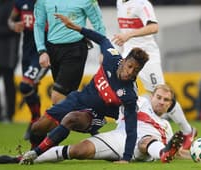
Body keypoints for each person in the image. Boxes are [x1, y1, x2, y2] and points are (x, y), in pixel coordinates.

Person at [16, 13, 149, 164]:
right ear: (124, 61)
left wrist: (126, 158)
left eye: (136, 70)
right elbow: (102, 39)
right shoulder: (112, 58)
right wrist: (76, 27)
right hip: (77, 99)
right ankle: (29, 157)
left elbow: (131, 129)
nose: (130, 72)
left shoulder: (129, 94)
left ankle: (36, 153)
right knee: (37, 127)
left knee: (71, 119)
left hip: (95, 116)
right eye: (130, 66)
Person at [0, 84, 201, 164]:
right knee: (78, 151)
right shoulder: (135, 101)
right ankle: (25, 158)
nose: (162, 102)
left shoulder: (167, 127)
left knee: (148, 140)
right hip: (119, 137)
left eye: (167, 100)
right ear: (152, 96)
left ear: (169, 106)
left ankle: (161, 153)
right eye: (159, 97)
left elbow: (178, 153)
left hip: (144, 147)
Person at [112, 0, 196, 149]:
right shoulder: (120, 2)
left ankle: (188, 132)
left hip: (147, 57)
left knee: (161, 94)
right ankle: (122, 130)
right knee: (122, 91)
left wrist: (129, 35)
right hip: (129, 55)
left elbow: (154, 27)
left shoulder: (142, 4)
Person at [34, 0, 106, 104]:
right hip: (53, 50)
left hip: (75, 50)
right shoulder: (42, 1)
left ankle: (62, 118)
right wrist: (42, 51)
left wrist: (103, 50)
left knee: (57, 96)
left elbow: (98, 24)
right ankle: (85, 117)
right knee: (68, 98)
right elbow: (38, 24)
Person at [7, 0, 49, 139]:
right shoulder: (21, 3)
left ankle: (35, 121)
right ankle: (37, 124)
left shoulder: (49, 3)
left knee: (26, 85)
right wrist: (14, 25)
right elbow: (11, 20)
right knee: (31, 89)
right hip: (27, 52)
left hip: (43, 54)